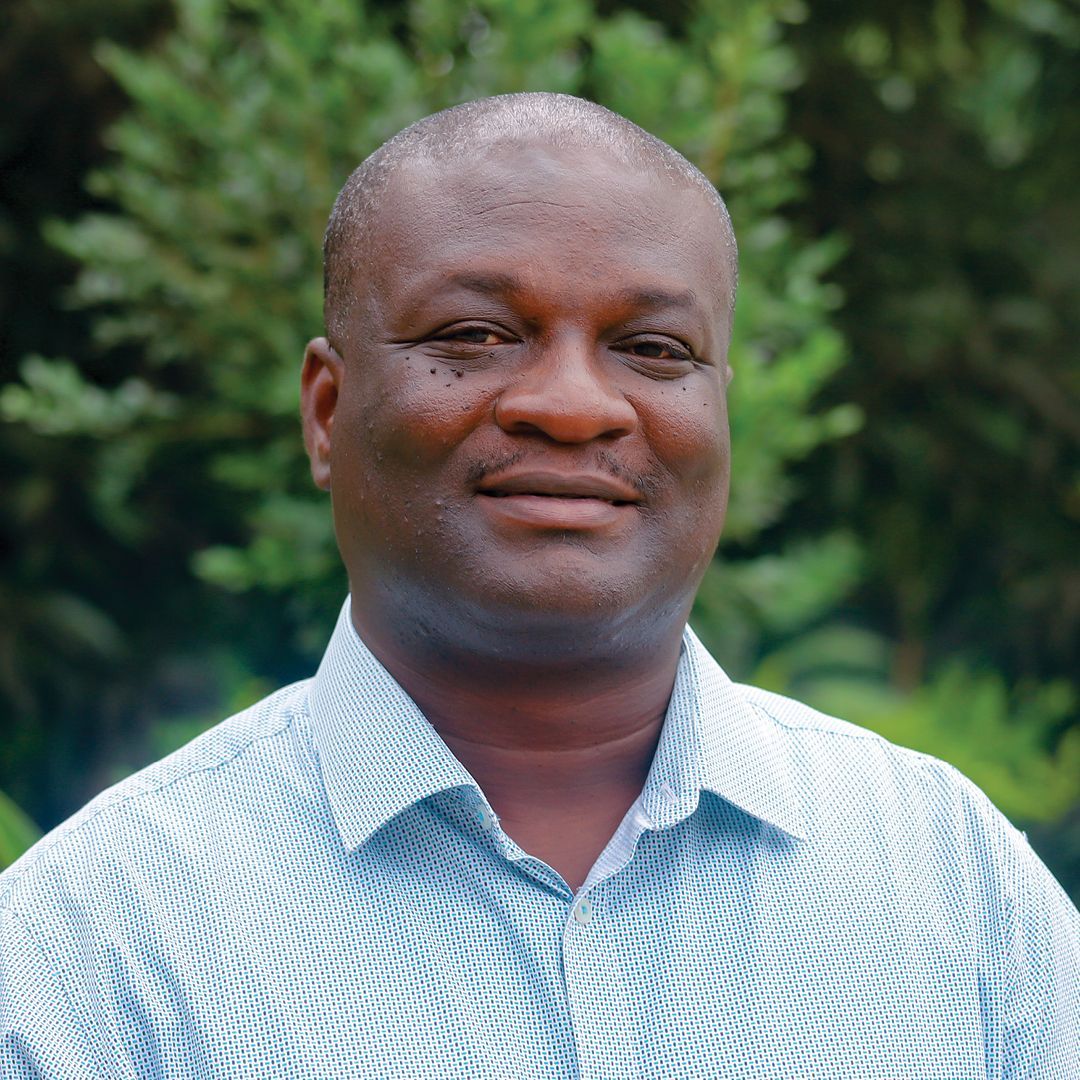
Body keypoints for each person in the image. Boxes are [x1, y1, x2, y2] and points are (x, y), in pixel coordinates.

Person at [0, 93, 1076, 1079]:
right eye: (475, 335)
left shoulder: (952, 884)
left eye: (653, 348)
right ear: (328, 412)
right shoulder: (94, 950)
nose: (572, 404)